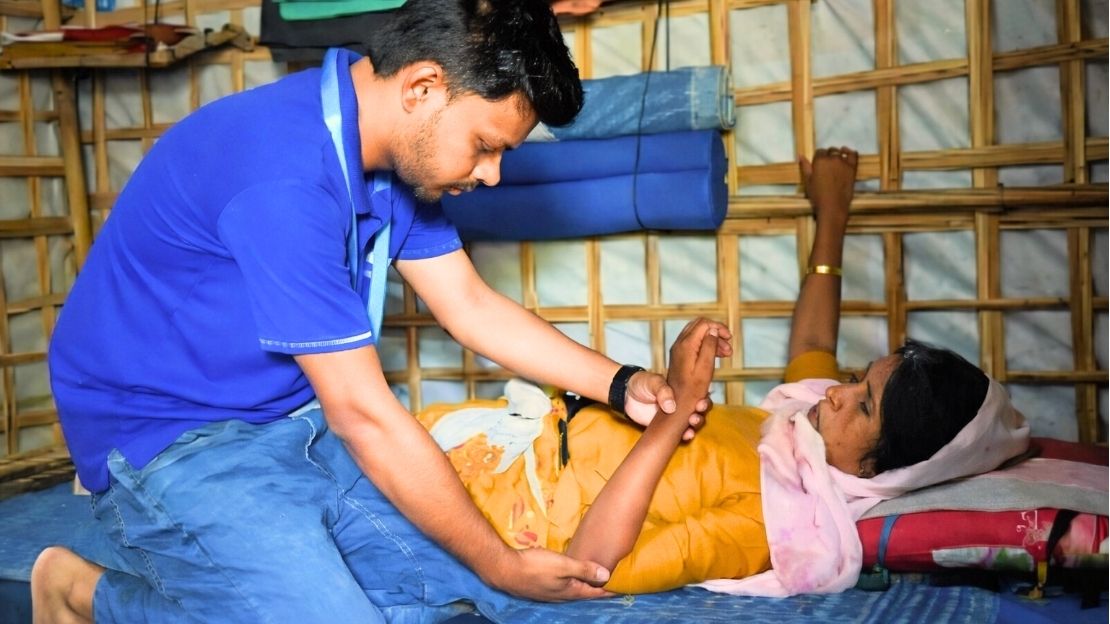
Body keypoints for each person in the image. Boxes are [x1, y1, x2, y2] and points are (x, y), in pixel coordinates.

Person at [31, 1, 731, 622]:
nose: (490, 174)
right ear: (424, 86)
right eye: (486, 146)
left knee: (476, 598)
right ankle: (82, 593)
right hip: (170, 437)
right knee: (438, 587)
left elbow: (470, 306)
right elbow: (363, 415)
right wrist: (493, 558)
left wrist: (620, 382)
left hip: (289, 419)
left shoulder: (389, 160)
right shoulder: (282, 174)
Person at [407, 145, 1029, 598]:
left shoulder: (775, 520)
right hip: (491, 445)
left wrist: (673, 416)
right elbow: (814, 338)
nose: (837, 393)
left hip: (505, 511)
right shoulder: (797, 426)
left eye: (863, 405)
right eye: (857, 377)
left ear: (881, 468)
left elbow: (593, 569)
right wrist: (832, 215)